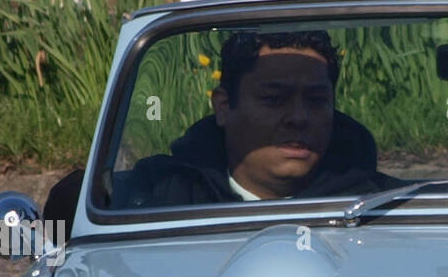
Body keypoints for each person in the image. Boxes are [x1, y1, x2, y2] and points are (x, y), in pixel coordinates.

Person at [42, 29, 396, 231]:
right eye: (274, 99)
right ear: (224, 107)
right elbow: (73, 210)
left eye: (317, 101)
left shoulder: (383, 207)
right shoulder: (155, 196)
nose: (299, 117)